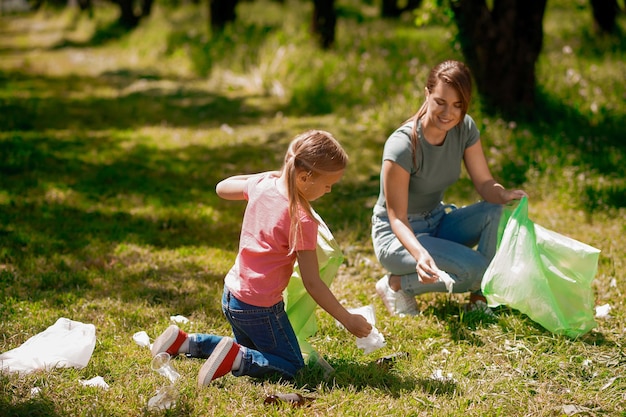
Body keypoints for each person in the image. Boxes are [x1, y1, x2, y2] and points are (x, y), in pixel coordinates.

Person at [152, 130, 372, 388]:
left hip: (232, 296)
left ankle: (185, 342)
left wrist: (272, 176)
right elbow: (313, 283)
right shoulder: (301, 220)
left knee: (256, 352)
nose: (329, 190)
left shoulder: (264, 183)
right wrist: (347, 319)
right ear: (303, 177)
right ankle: (238, 358)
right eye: (327, 184)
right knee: (292, 367)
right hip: (260, 310)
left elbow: (222, 187)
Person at [371, 60, 527, 317]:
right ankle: (395, 284)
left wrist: (503, 194)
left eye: (458, 105)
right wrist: (420, 255)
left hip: (437, 222)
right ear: (427, 94)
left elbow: (485, 183)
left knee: (498, 210)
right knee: (475, 270)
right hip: (398, 236)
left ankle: (479, 297)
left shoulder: (464, 128)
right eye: (440, 102)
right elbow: (396, 217)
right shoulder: (401, 146)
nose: (448, 113)